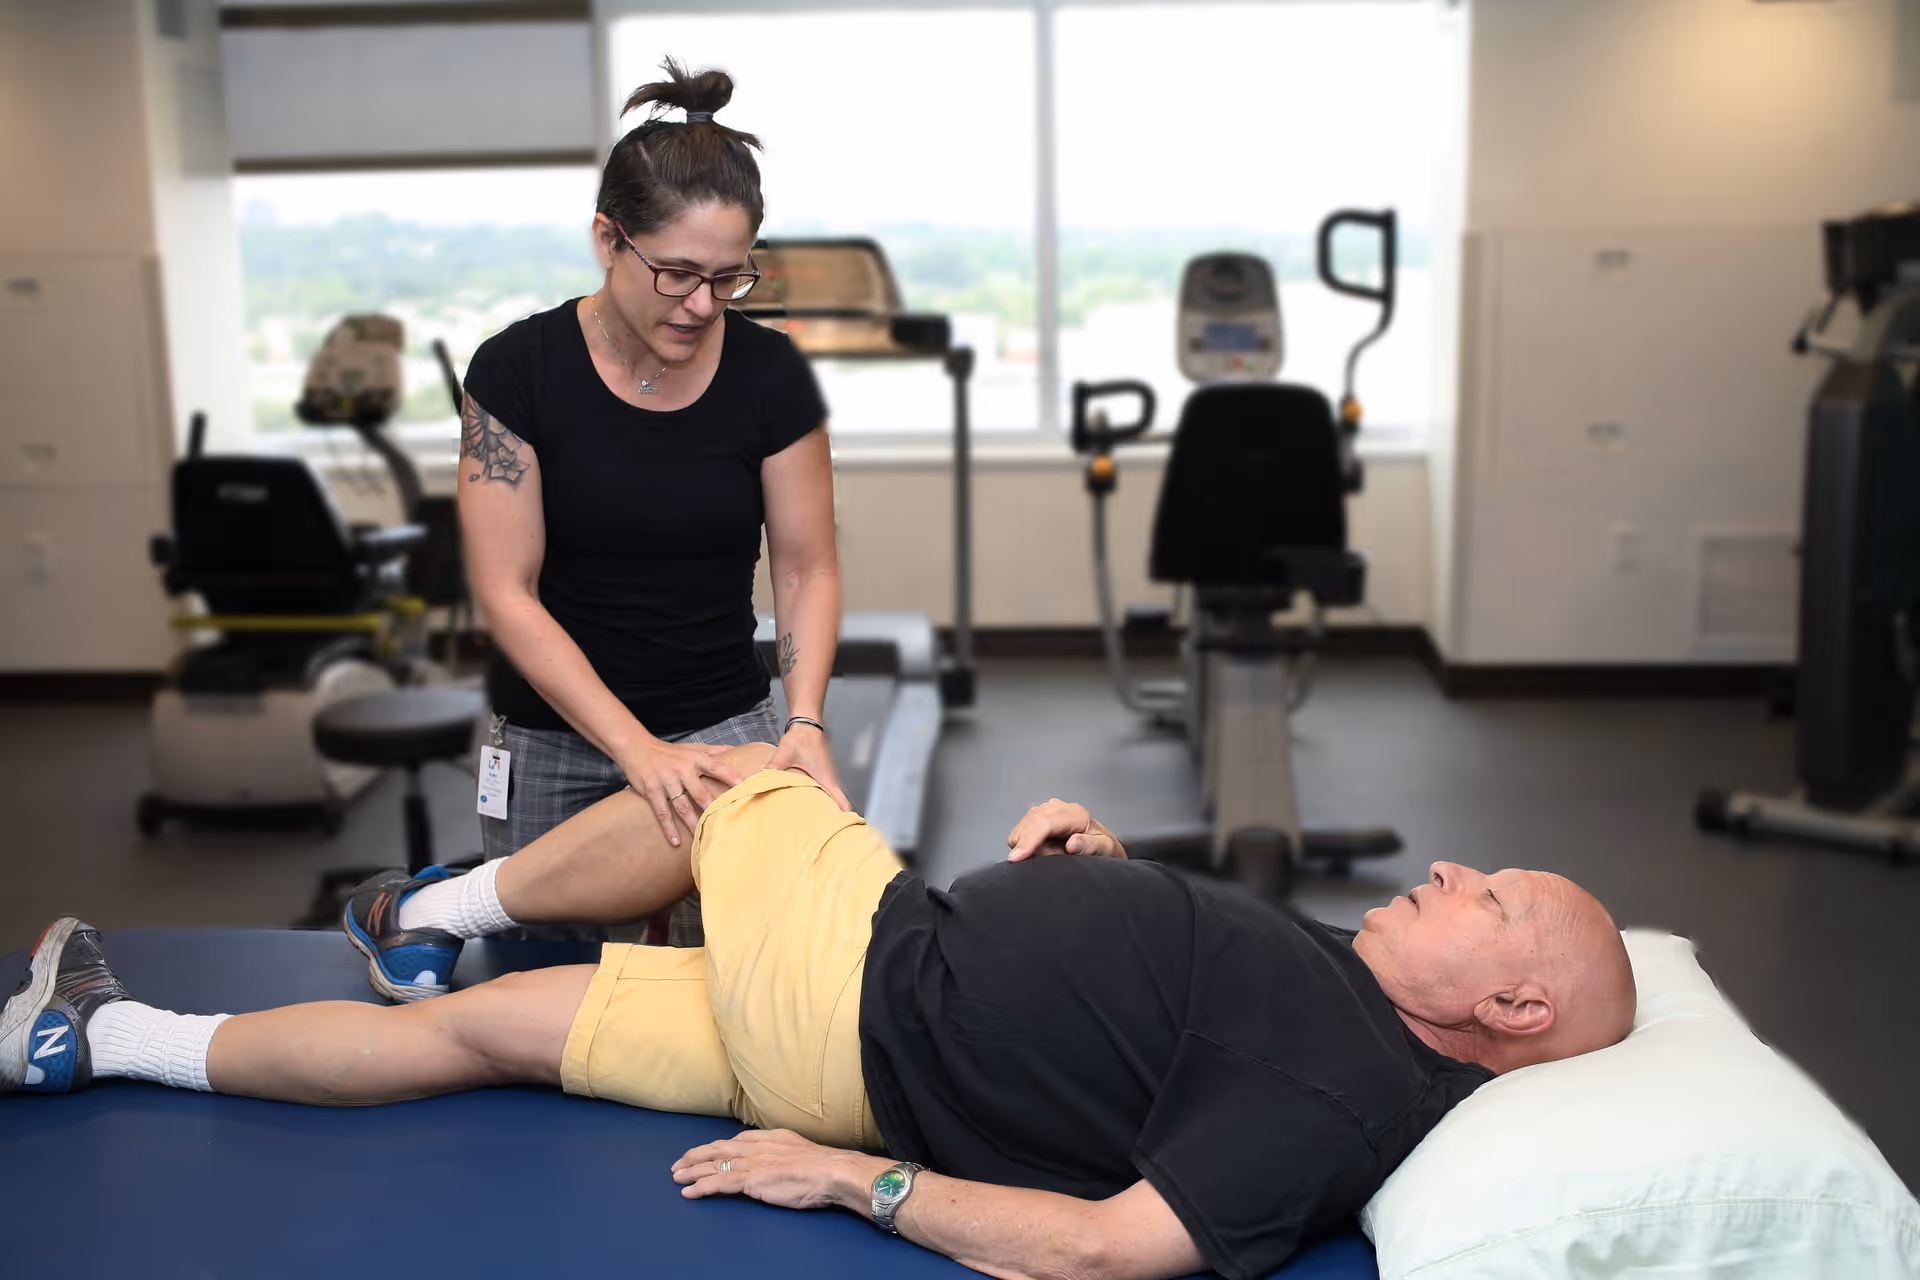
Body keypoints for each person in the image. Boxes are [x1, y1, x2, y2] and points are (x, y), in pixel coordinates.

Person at [3, 744, 1636, 1280]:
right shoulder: (1351, 997)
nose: (1462, 868)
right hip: (847, 1038)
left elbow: (1106, 1250)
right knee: (478, 1038)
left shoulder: (1346, 1104)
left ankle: (425, 906)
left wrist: (845, 1180)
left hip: (861, 983)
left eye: (1500, 898)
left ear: (1504, 1002)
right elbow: (1178, 1018)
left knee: (741, 771)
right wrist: (1111, 880)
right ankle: (103, 1037)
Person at [458, 59, 845, 934]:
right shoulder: (516, 371)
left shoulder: (770, 376)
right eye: (677, 273)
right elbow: (505, 592)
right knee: (543, 1007)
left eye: (730, 278)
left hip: (720, 728)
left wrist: (807, 719)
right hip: (550, 741)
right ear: (608, 238)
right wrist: (635, 751)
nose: (703, 304)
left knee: (728, 1004)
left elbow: (807, 568)